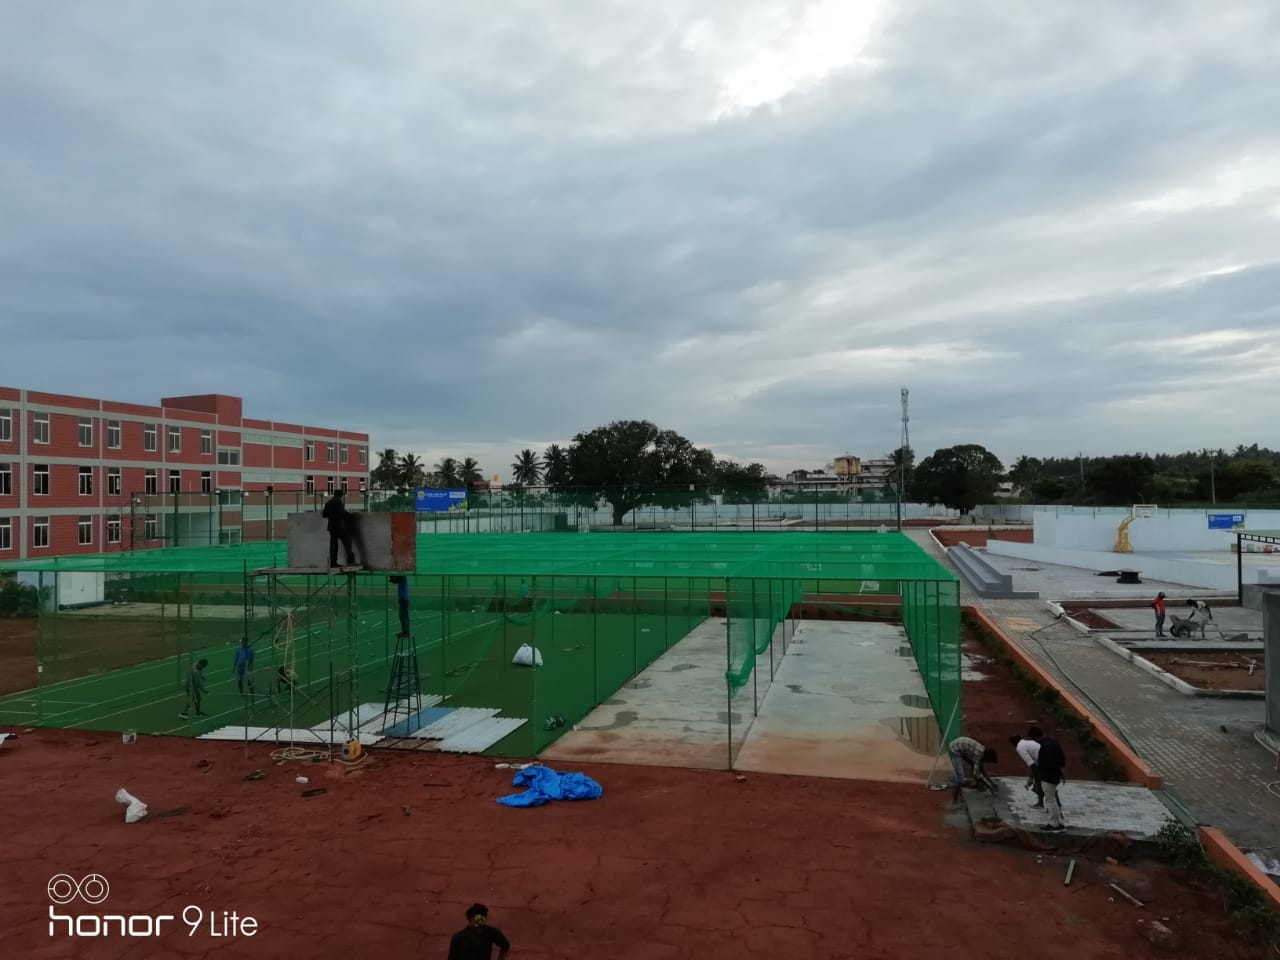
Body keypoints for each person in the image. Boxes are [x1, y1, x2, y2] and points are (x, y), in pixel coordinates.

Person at [947, 736, 998, 803]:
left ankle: (979, 786)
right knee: (960, 777)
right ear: (987, 757)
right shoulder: (978, 755)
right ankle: (955, 800)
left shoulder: (983, 751)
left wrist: (992, 783)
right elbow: (977, 774)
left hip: (962, 747)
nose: (987, 762)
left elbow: (982, 770)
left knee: (975, 766)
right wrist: (989, 787)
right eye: (988, 761)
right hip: (955, 749)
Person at [1035, 729, 1068, 831]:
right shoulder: (1053, 741)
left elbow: (1040, 763)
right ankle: (1057, 822)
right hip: (1055, 775)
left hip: (1048, 776)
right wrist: (1062, 772)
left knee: (1050, 800)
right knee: (1051, 798)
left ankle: (1054, 824)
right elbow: (1061, 757)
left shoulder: (1041, 746)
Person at [322, 489, 357, 568]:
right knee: (347, 543)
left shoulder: (329, 502)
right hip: (339, 527)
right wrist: (348, 515)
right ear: (341, 495)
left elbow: (324, 514)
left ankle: (333, 563)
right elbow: (342, 513)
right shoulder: (338, 501)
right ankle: (351, 561)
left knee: (333, 546)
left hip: (331, 527)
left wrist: (332, 515)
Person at [1009, 728, 1043, 808]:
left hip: (1043, 763)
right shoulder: (1027, 742)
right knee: (1043, 784)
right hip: (1045, 760)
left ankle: (1042, 803)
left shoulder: (1020, 747)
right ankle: (1046, 801)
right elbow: (1034, 764)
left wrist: (1031, 779)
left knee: (1039, 786)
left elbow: (1032, 765)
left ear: (1013, 744)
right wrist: (1031, 778)